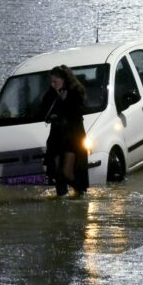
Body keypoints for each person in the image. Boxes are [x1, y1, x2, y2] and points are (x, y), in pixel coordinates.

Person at [44, 65, 88, 196]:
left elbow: (78, 112)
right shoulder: (51, 93)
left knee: (67, 171)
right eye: (51, 82)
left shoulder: (76, 91)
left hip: (72, 136)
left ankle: (80, 190)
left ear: (63, 80)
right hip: (57, 135)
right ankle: (62, 195)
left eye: (55, 82)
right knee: (57, 170)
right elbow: (43, 109)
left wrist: (64, 102)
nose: (52, 85)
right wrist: (50, 115)